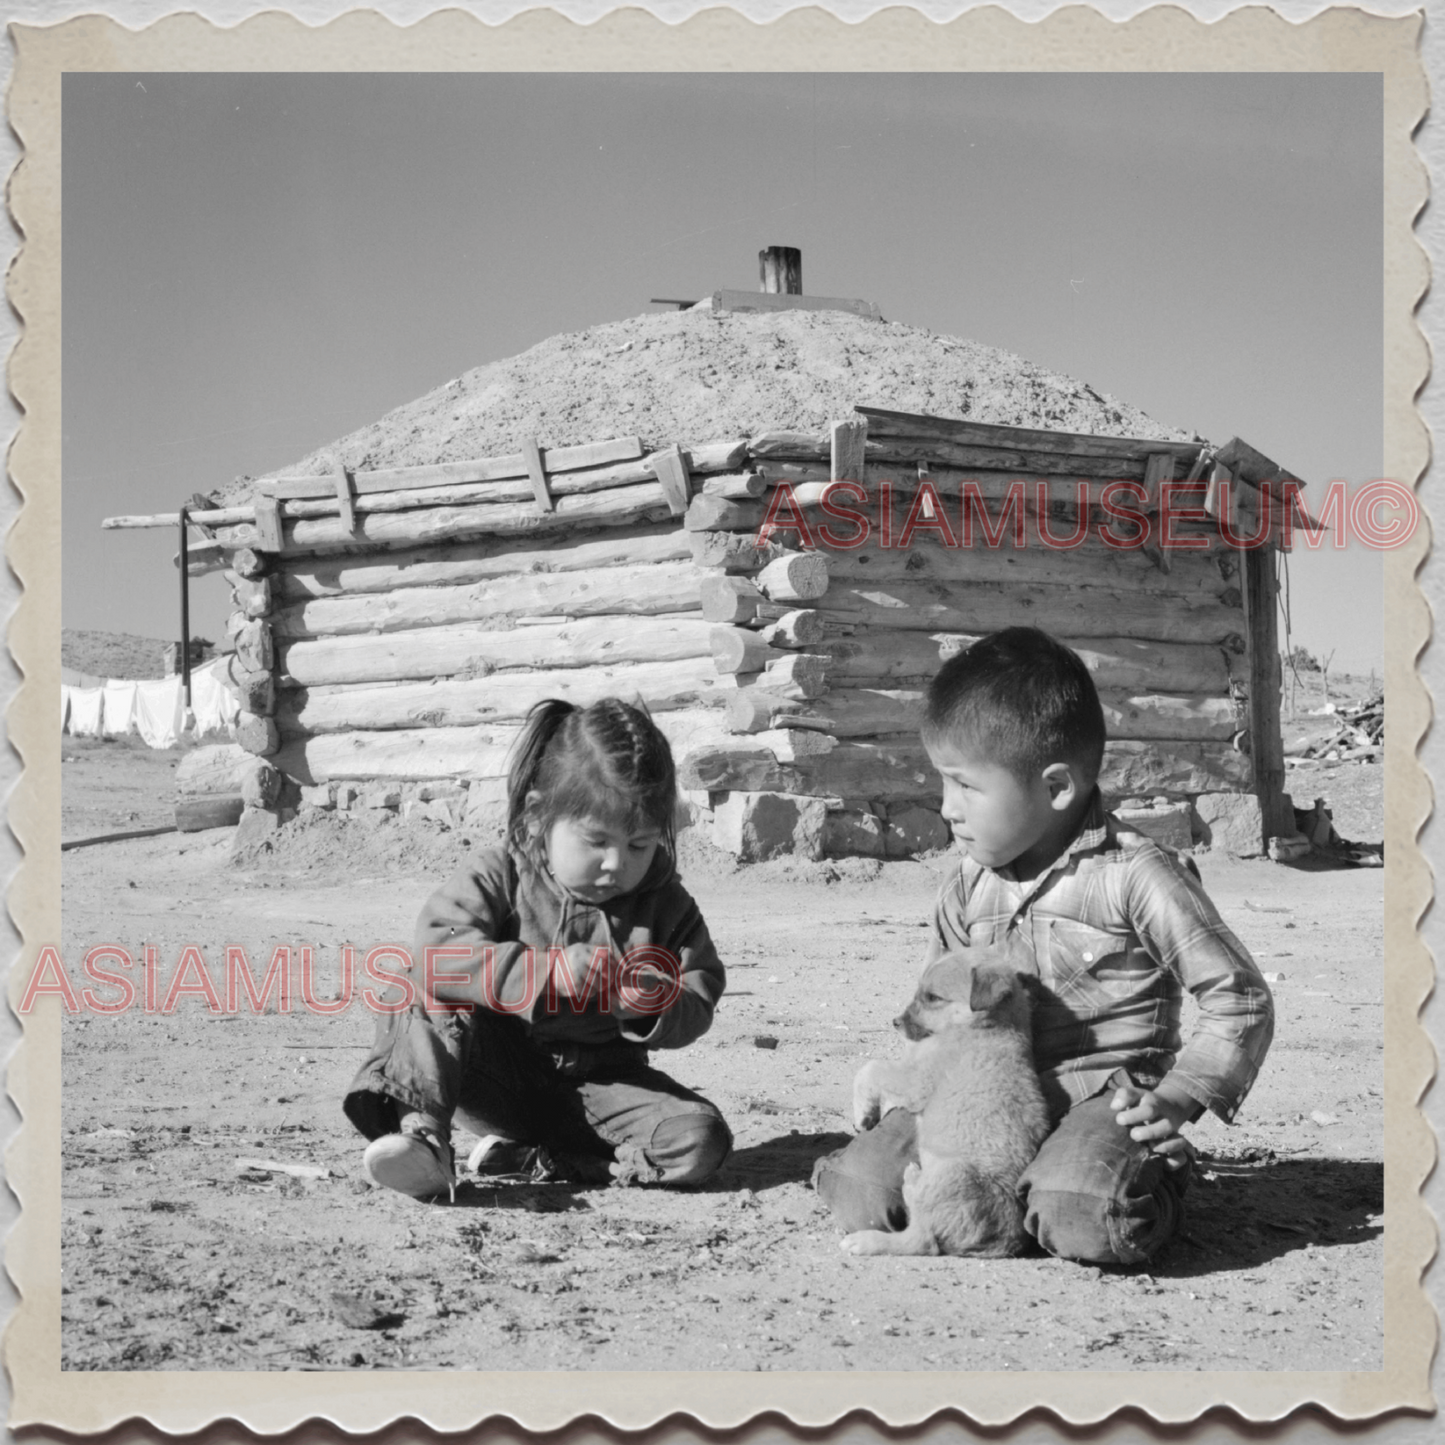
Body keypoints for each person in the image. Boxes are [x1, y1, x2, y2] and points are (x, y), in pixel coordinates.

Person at [813, 627, 1275, 1265]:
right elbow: (937, 1022)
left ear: (1056, 787)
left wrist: (1175, 1099)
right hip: (983, 1111)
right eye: (942, 783)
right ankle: (1013, 1203)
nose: (947, 807)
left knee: (1082, 1214)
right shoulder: (966, 887)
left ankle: (1139, 1180)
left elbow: (1239, 997)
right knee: (858, 1190)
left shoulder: (1136, 876)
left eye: (966, 786)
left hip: (1103, 1098)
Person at [344, 697, 732, 1200]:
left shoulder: (667, 905)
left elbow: (698, 994)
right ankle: (422, 1138)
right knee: (422, 981)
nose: (617, 864)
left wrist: (649, 1006)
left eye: (639, 845)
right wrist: (544, 973)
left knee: (700, 1141)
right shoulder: (499, 875)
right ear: (536, 818)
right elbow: (439, 953)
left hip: (602, 1091)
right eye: (596, 841)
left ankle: (537, 1160)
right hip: (491, 1075)